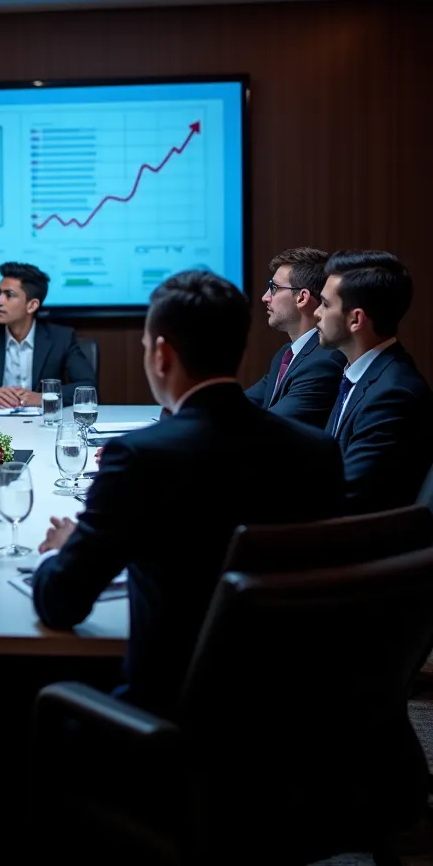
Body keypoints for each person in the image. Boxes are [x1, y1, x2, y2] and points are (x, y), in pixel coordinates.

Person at [32, 271, 342, 719]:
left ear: (161, 355)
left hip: (169, 716)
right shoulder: (318, 452)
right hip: (298, 709)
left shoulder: (138, 457)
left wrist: (63, 551)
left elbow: (60, 603)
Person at [315, 250, 433, 513]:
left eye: (325, 304)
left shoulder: (393, 394)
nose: (316, 313)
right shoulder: (359, 373)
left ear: (356, 319)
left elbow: (345, 493)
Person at [0, 262, 95, 407]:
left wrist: (43, 397)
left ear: (32, 305)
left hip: (43, 426)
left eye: (9, 295)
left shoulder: (61, 338)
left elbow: (88, 387)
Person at [244, 247, 345, 428]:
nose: (265, 297)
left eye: (273, 288)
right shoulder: (286, 354)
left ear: (302, 298)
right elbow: (242, 405)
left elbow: (272, 427)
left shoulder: (324, 362)